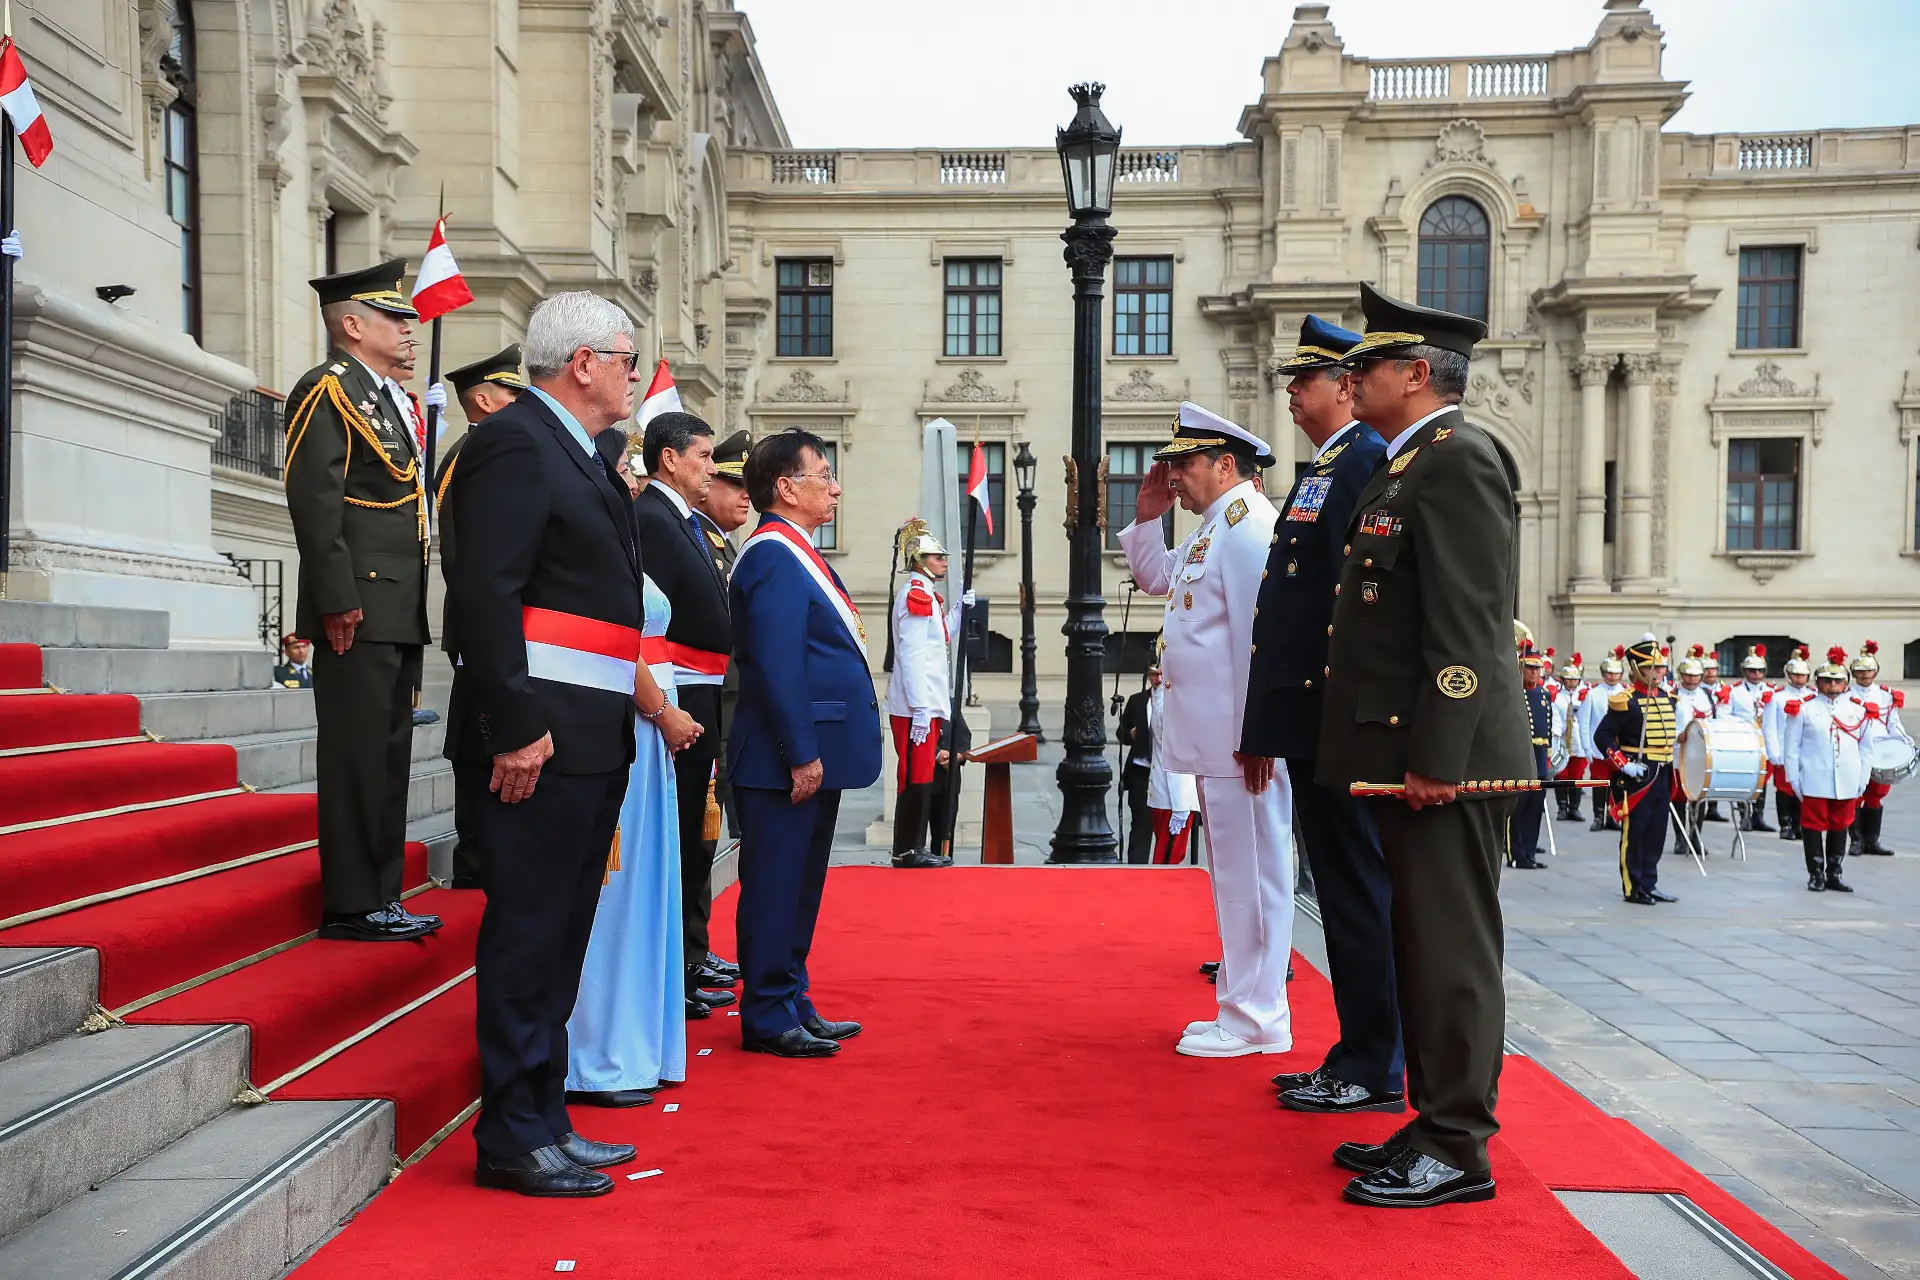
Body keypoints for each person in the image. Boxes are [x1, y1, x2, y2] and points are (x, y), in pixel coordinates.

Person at [449, 290, 682, 1197]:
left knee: (561, 939)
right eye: (626, 358)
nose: (633, 374)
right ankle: (510, 1133)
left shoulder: (577, 451)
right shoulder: (514, 442)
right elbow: (485, 593)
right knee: (527, 936)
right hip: (537, 742)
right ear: (582, 363)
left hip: (590, 737)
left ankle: (545, 1116)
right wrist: (514, 727)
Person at [1317, 283, 1532, 1209]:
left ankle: (1458, 1145)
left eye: (1367, 363)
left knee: (1451, 953)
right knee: (1419, 946)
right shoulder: (1407, 464)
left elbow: (1470, 624)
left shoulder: (1459, 460)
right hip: (1408, 753)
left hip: (1449, 760)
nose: (1352, 377)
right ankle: (1433, 1117)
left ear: (1414, 373)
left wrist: (1439, 757)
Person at [1243, 315, 1402, 1114]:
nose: (1292, 393)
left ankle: (1374, 1065)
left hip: (1334, 720)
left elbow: (1355, 605)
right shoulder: (1330, 465)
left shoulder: (1362, 461)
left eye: (1303, 380)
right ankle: (1358, 1053)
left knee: (1355, 889)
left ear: (1344, 386)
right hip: (1310, 720)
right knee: (1339, 891)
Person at [1119, 401, 1293, 1059]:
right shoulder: (1216, 526)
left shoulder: (1247, 527)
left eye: (1184, 463)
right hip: (1221, 740)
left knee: (1256, 877)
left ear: (1224, 464)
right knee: (1234, 877)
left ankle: (1258, 1018)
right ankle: (1241, 1008)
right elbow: (1155, 578)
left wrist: (1259, 734)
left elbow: (1260, 640)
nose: (1174, 476)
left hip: (1241, 742)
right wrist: (1146, 517)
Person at [282, 260, 441, 943]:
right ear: (352, 324)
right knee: (357, 756)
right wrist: (336, 597)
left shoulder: (385, 398)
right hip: (358, 605)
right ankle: (352, 902)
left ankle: (382, 895)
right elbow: (315, 501)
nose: (408, 329)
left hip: (396, 603)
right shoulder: (327, 388)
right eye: (393, 317)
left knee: (389, 755)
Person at [728, 428, 881, 1058]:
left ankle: (791, 998)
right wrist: (801, 752)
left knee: (801, 886)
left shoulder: (798, 551)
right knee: (775, 885)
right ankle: (767, 1013)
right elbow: (777, 662)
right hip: (783, 757)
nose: (835, 488)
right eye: (824, 475)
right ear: (787, 488)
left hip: (809, 750)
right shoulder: (772, 555)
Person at [565, 569, 703, 1107]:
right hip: (628, 714)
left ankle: (633, 1047)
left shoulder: (626, 540)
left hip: (649, 722)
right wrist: (663, 710)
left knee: (642, 891)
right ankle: (596, 1057)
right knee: (615, 894)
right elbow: (616, 637)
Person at [634, 410, 742, 1006]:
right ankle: (672, 969)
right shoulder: (653, 518)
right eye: (703, 456)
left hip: (700, 690)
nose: (710, 467)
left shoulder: (683, 520)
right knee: (674, 836)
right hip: (674, 691)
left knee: (692, 835)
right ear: (670, 459)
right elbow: (647, 622)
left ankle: (686, 961)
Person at [432, 345, 528, 890]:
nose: (521, 401)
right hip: (481, 627)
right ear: (484, 401)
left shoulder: (492, 449)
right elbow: (465, 554)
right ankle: (475, 868)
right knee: (479, 748)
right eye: (511, 393)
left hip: (492, 624)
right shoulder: (472, 453)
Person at [885, 521, 967, 869]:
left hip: (926, 702)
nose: (944, 561)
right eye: (937, 556)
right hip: (916, 705)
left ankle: (913, 846)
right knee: (914, 775)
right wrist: (920, 706)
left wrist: (960, 609)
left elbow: (941, 635)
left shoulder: (926, 595)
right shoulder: (916, 595)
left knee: (922, 774)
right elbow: (914, 654)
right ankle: (907, 849)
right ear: (919, 560)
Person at [1782, 647, 1886, 892]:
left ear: (1845, 682)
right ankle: (1815, 873)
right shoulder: (1803, 708)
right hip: (1814, 776)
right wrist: (1793, 778)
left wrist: (1862, 778)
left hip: (1847, 777)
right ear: (1817, 682)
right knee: (1813, 825)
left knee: (1841, 824)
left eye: (1837, 681)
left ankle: (1834, 873)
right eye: (1827, 680)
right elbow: (1791, 747)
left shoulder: (1859, 709)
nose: (1832, 685)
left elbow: (1866, 748)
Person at [1593, 634, 1679, 907]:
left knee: (1657, 831)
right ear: (1637, 671)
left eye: (1661, 668)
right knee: (1636, 832)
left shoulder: (1668, 698)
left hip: (1663, 773)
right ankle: (1633, 887)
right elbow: (1602, 737)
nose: (1659, 673)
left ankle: (1650, 883)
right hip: (1638, 775)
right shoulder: (1625, 702)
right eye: (1652, 668)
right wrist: (1623, 764)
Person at [698, 431, 752, 856]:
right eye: (734, 484)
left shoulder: (722, 544)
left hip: (731, 695)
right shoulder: (698, 537)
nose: (746, 495)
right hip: (711, 696)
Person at [1846, 641, 1905, 856]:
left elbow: (1893, 722)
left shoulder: (1885, 695)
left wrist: (1902, 741)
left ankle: (1872, 841)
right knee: (1855, 794)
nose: (1865, 674)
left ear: (1876, 671)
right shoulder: (1845, 694)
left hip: (1880, 751)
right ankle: (1856, 840)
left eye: (1869, 670)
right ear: (1853, 672)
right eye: (1860, 670)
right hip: (1854, 751)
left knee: (1875, 795)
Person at [1508, 638, 1552, 871]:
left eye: (1537, 668)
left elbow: (1548, 727)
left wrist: (1550, 755)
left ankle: (1529, 852)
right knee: (1519, 808)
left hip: (1540, 755)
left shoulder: (1544, 695)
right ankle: (1516, 853)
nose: (1534, 672)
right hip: (1521, 753)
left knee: (1535, 808)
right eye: (1529, 668)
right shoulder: (1514, 694)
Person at [1762, 647, 1812, 840]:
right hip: (1784, 749)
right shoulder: (1777, 697)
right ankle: (1785, 824)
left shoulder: (1813, 696)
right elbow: (1770, 727)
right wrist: (1773, 752)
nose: (1799, 678)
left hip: (1806, 751)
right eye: (1796, 675)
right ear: (1789, 675)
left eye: (1803, 675)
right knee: (1785, 789)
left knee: (1804, 788)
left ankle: (1800, 824)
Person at [1727, 646, 1777, 832]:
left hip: (1764, 740)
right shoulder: (1734, 691)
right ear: (1744, 671)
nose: (1756, 674)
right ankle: (1744, 816)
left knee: (1762, 779)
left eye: (1759, 671)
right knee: (1743, 779)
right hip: (1744, 740)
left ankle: (1758, 816)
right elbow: (1727, 715)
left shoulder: (1772, 691)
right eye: (1752, 670)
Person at [1579, 649, 1629, 831]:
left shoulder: (1626, 693)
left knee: (1617, 784)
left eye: (1616, 673)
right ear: (1603, 673)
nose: (1612, 676)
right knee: (1599, 782)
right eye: (1608, 672)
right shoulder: (1593, 694)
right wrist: (1586, 748)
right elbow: (1584, 722)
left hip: (1619, 748)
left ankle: (1613, 816)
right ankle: (1598, 816)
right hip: (1598, 747)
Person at [1118, 672, 1155, 864]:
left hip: (1168, 772)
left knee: (1170, 828)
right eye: (1154, 674)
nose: (1158, 679)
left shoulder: (1178, 700)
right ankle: (1137, 868)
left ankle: (1167, 870)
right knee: (1141, 823)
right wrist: (1131, 734)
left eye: (1162, 674)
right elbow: (1122, 733)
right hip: (1142, 771)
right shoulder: (1137, 700)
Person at [1553, 652, 1590, 822]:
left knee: (1577, 775)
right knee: (1561, 774)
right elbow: (1554, 716)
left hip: (1578, 740)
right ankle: (1561, 807)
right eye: (1568, 679)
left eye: (1574, 679)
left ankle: (1574, 808)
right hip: (1562, 739)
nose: (1571, 682)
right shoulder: (1556, 696)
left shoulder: (1585, 695)